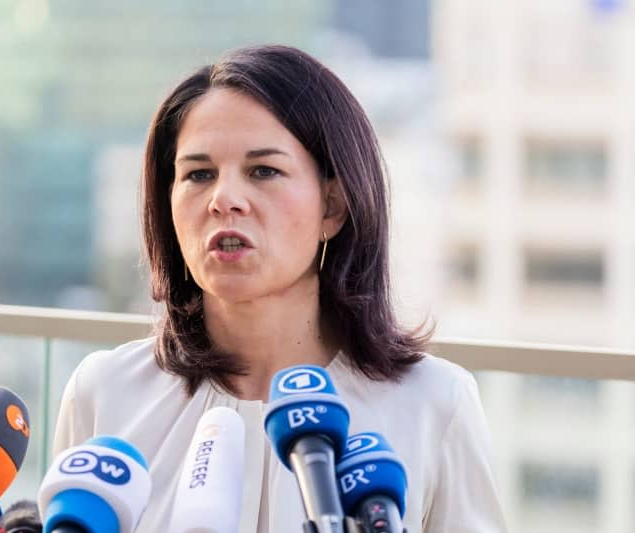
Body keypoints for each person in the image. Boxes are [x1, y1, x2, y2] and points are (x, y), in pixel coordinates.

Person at [53, 44, 507, 532]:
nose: (224, 200)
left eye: (263, 171)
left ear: (332, 207)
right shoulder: (105, 390)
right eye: (198, 175)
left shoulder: (434, 402)